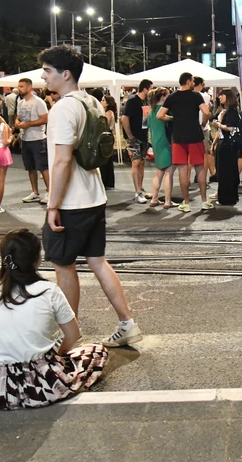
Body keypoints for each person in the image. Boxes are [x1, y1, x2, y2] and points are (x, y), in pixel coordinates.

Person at [39, 45, 142, 347]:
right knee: (97, 261)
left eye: (47, 71)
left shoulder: (62, 109)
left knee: (63, 266)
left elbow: (62, 161)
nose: (43, 77)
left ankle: (69, 336)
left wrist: (53, 205)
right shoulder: (90, 100)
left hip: (72, 202)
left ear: (65, 74)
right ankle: (127, 323)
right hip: (94, 196)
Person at [0, 229, 108, 410]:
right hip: (42, 385)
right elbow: (73, 335)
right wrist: (60, 355)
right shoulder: (48, 290)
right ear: (36, 260)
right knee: (97, 350)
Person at [160, 72, 213, 212]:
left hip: (178, 137)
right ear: (188, 81)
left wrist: (173, 119)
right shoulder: (196, 96)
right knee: (200, 168)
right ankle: (204, 201)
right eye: (193, 81)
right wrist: (203, 123)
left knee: (182, 170)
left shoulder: (172, 97)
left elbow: (160, 115)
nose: (193, 83)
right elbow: (206, 112)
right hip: (195, 135)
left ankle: (187, 203)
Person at [15, 78, 50, 205]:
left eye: (22, 86)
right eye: (19, 86)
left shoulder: (38, 102)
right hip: (25, 138)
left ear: (29, 87)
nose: (19, 89)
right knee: (30, 167)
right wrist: (17, 123)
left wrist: (29, 124)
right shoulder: (20, 102)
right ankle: (35, 192)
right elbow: (18, 117)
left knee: (43, 167)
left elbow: (45, 119)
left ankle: (50, 192)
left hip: (38, 139)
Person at [121, 80, 152, 204]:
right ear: (145, 89)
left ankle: (140, 188)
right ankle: (137, 191)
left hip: (143, 135)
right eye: (150, 88)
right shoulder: (133, 100)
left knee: (142, 163)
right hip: (134, 137)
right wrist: (130, 136)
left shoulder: (145, 101)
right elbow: (124, 118)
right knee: (136, 162)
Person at [210, 89, 242, 205]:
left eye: (222, 95)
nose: (219, 98)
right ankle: (224, 195)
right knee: (223, 171)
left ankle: (227, 198)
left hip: (227, 144)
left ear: (228, 97)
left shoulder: (232, 111)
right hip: (223, 142)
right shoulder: (225, 110)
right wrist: (214, 144)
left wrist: (218, 124)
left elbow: (230, 127)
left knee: (226, 172)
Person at [147, 87, 175, 209]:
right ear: (163, 97)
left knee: (159, 171)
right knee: (169, 172)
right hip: (165, 141)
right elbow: (171, 121)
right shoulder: (164, 111)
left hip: (155, 142)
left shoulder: (151, 111)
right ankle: (168, 201)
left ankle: (154, 198)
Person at [100, 95, 118, 190]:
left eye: (103, 100)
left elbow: (105, 125)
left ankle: (106, 181)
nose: (101, 102)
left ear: (108, 103)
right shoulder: (109, 112)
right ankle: (108, 182)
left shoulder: (108, 113)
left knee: (106, 160)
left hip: (107, 136)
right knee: (107, 160)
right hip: (108, 136)